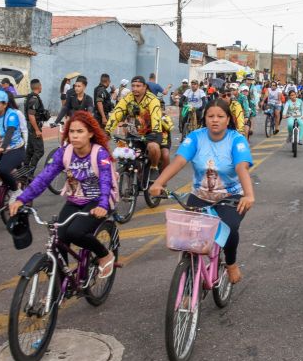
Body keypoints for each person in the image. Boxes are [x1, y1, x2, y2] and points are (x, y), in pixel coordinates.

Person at [150, 99, 255, 284]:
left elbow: (241, 167)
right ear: (204, 118)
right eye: (210, 116)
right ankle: (188, 282)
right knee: (189, 239)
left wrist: (248, 195)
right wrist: (159, 182)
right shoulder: (195, 137)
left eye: (220, 116)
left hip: (230, 198)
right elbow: (179, 162)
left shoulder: (236, 140)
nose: (215, 120)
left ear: (228, 119)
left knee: (229, 228)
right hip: (200, 196)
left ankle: (231, 263)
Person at [9, 111, 117, 278]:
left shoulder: (99, 153)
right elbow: (44, 177)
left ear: (90, 133)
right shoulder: (64, 152)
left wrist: (103, 205)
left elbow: (106, 181)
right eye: (71, 131)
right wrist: (22, 199)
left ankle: (105, 255)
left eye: (80, 131)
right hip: (75, 200)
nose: (74, 135)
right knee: (59, 238)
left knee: (76, 233)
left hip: (98, 201)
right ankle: (62, 284)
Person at [105, 75, 163, 175]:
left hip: (151, 133)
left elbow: (155, 115)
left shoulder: (152, 99)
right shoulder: (128, 98)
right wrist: (107, 130)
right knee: (126, 156)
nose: (135, 88)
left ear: (144, 87)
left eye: (138, 86)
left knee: (153, 147)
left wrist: (155, 131)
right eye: (133, 86)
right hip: (133, 133)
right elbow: (117, 112)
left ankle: (154, 167)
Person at [24, 79, 48, 173]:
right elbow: (31, 115)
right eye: (41, 86)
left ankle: (24, 171)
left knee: (30, 150)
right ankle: (30, 172)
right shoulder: (34, 99)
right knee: (39, 151)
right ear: (39, 86)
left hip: (31, 127)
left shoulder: (30, 97)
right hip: (34, 127)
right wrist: (37, 130)